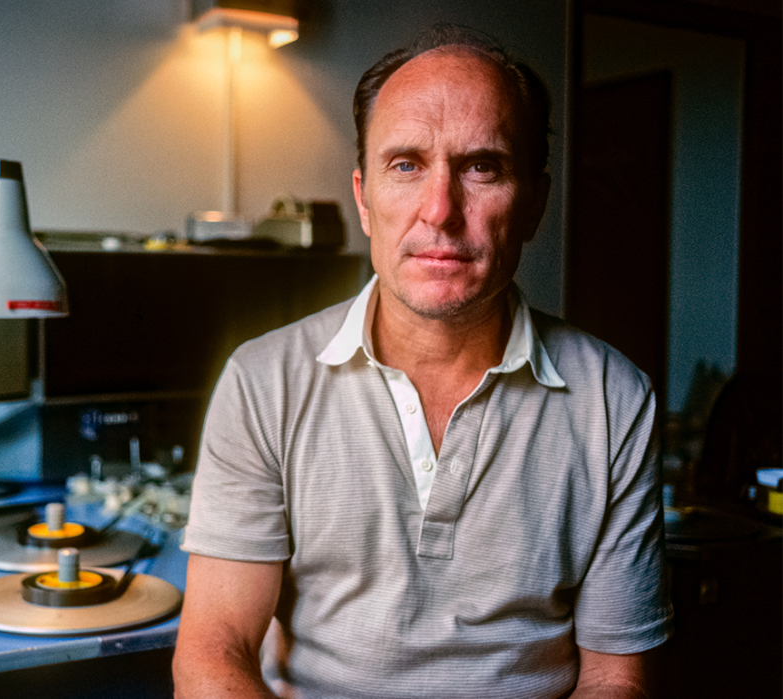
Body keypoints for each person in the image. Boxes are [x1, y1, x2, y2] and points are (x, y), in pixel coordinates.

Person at [173, 24, 673, 699]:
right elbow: (214, 650)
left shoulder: (615, 398)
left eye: (482, 166)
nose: (440, 210)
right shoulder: (264, 381)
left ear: (535, 202)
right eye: (406, 164)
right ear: (364, 198)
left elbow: (616, 676)